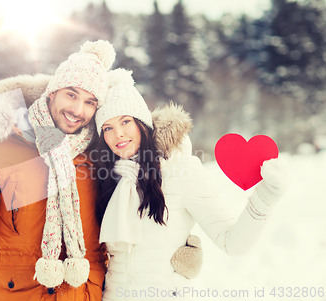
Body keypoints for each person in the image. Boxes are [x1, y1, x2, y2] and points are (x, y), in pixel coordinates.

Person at [0, 41, 201, 301]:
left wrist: (175, 253)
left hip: (84, 293)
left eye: (91, 102)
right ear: (52, 92)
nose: (78, 110)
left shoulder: (100, 152)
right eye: (71, 95)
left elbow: (137, 212)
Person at [93, 69, 289, 300]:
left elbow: (232, 243)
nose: (119, 134)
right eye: (108, 128)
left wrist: (265, 198)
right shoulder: (108, 179)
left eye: (125, 121)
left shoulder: (181, 171)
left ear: (142, 123)